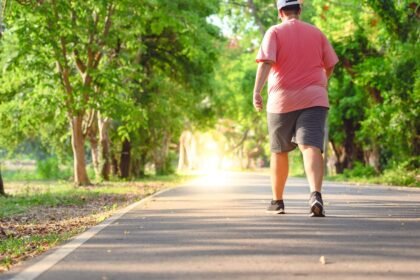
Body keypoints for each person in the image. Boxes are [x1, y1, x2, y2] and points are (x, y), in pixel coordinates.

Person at [252, 0, 338, 217]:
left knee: (279, 151)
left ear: (280, 12)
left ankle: (278, 202)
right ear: (299, 10)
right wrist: (322, 82)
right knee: (310, 147)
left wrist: (257, 92)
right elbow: (331, 63)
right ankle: (315, 195)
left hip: (282, 100)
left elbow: (265, 63)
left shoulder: (274, 32)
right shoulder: (317, 33)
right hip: (314, 99)